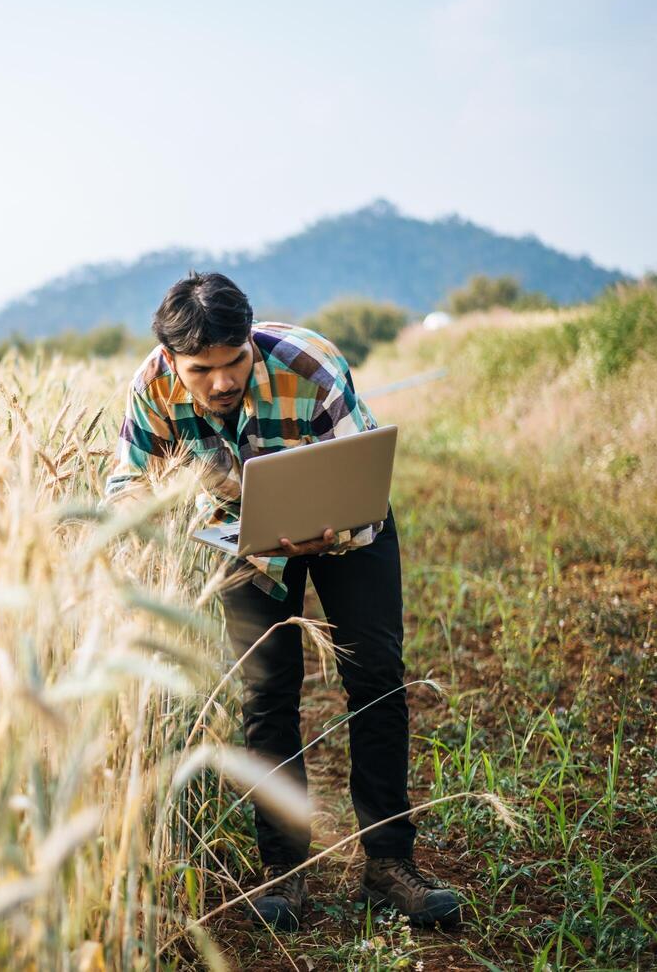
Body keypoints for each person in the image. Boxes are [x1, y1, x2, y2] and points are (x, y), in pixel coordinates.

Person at [102, 272, 461, 931]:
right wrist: (160, 518)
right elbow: (124, 485)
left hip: (343, 529)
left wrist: (334, 531)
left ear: (250, 340)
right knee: (264, 698)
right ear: (170, 360)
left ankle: (387, 863)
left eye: (233, 361)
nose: (219, 381)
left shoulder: (312, 364)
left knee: (375, 678)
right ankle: (284, 873)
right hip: (236, 540)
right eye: (200, 369)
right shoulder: (149, 386)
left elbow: (362, 478)